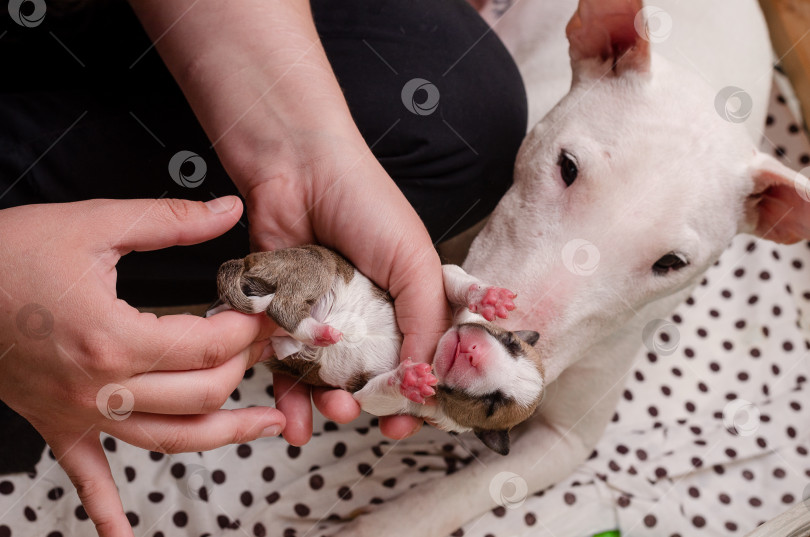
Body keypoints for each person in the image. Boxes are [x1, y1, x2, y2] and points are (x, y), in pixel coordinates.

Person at [0, 0, 527, 535]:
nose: (484, 358)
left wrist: (299, 153)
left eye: (491, 397)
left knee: (469, 108)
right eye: (507, 346)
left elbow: (368, 397)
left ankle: (77, 242)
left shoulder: (426, 398)